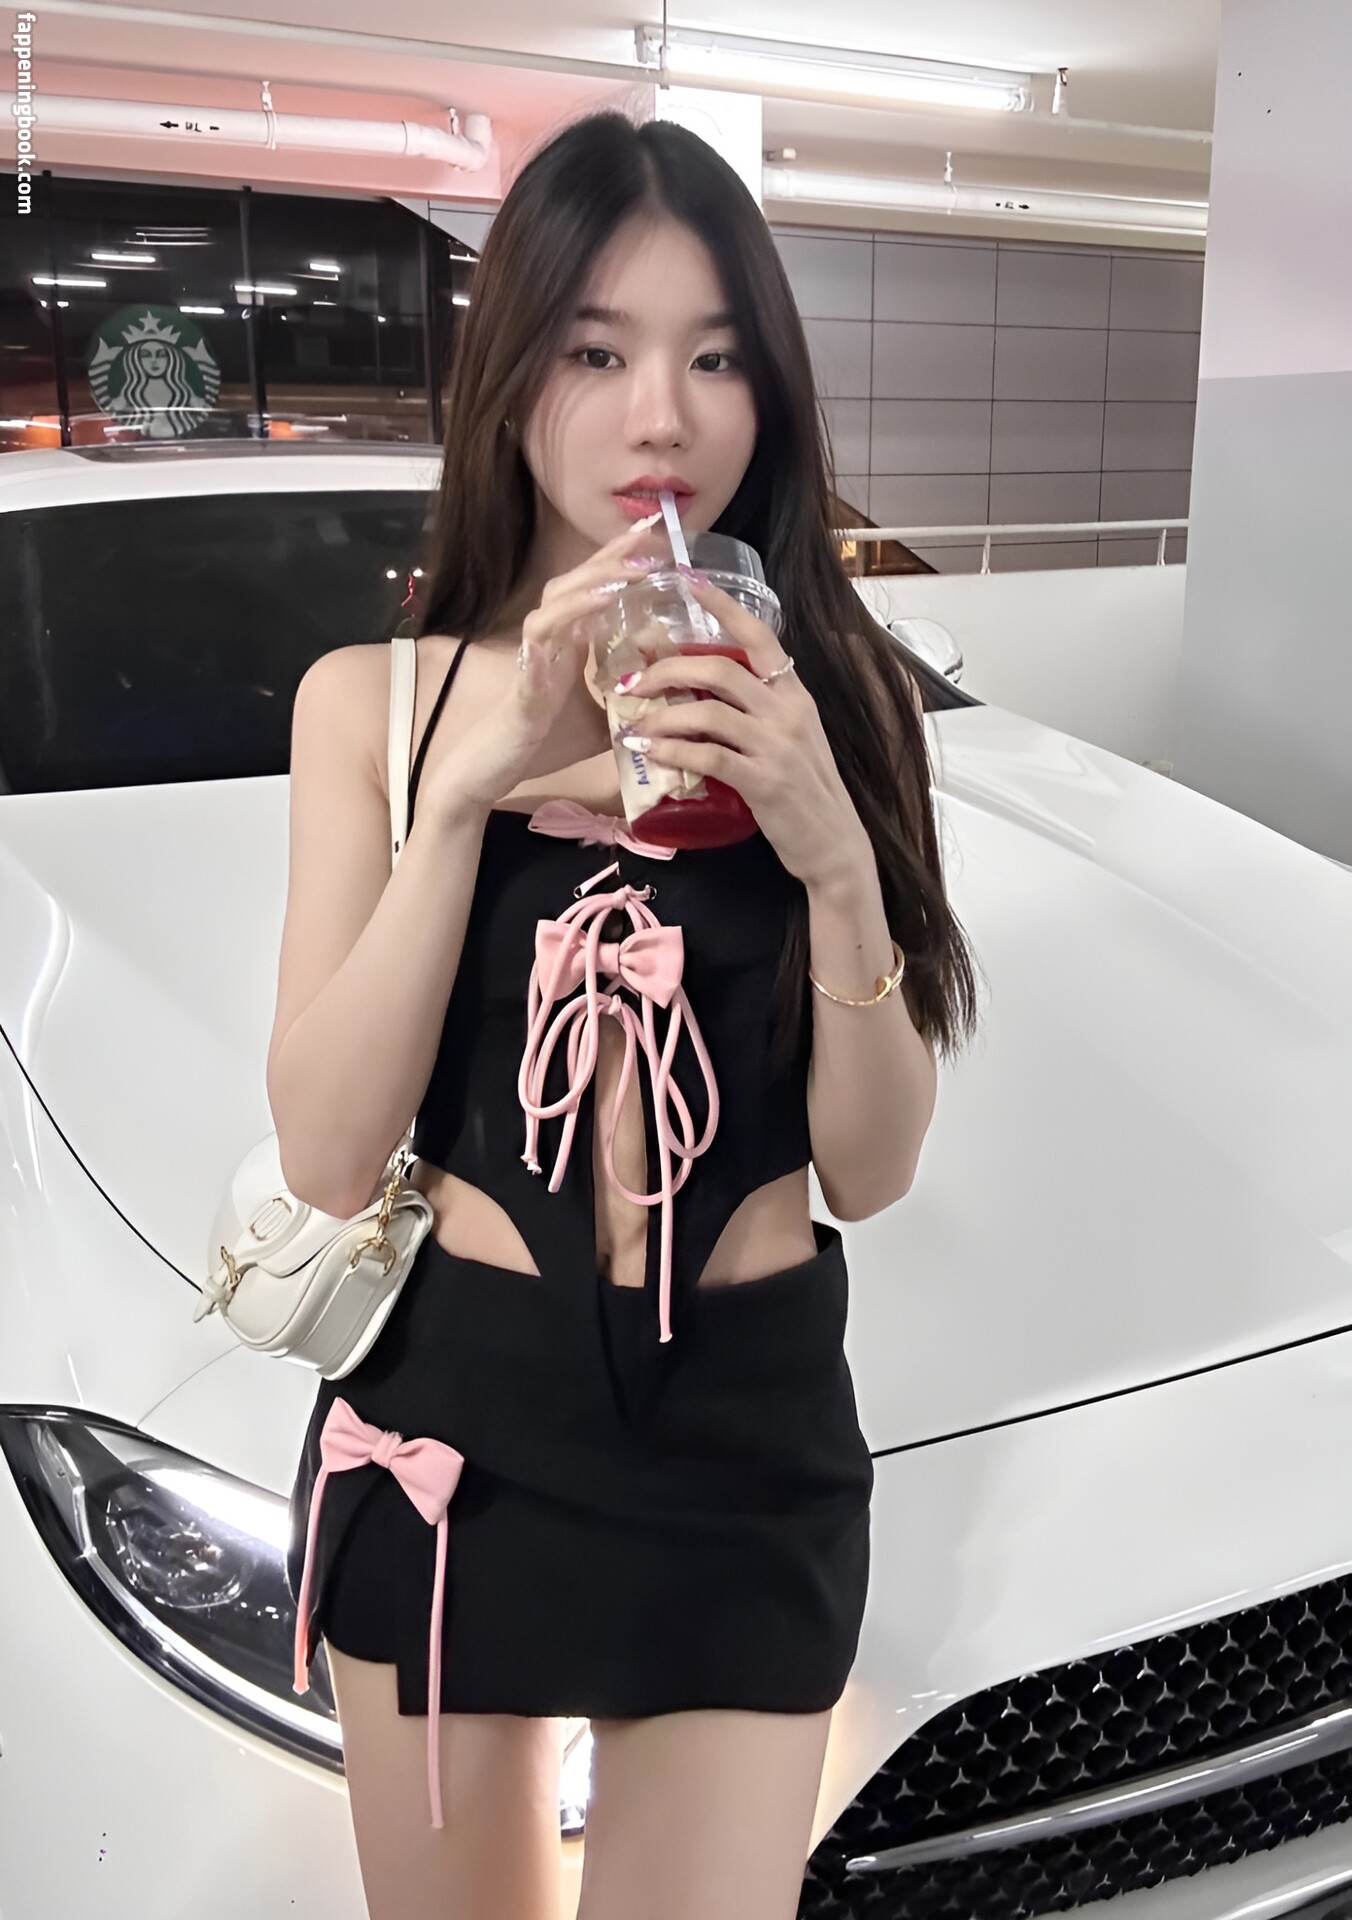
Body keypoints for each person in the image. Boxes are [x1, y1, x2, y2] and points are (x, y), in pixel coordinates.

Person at [268, 110, 979, 1920]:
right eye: (597, 353)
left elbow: (872, 1169)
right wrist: (464, 793)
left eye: (717, 357)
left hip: (744, 1441)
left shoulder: (841, 700)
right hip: (455, 1439)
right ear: (510, 379)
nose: (664, 417)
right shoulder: (373, 703)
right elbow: (328, 1150)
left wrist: (831, 850)